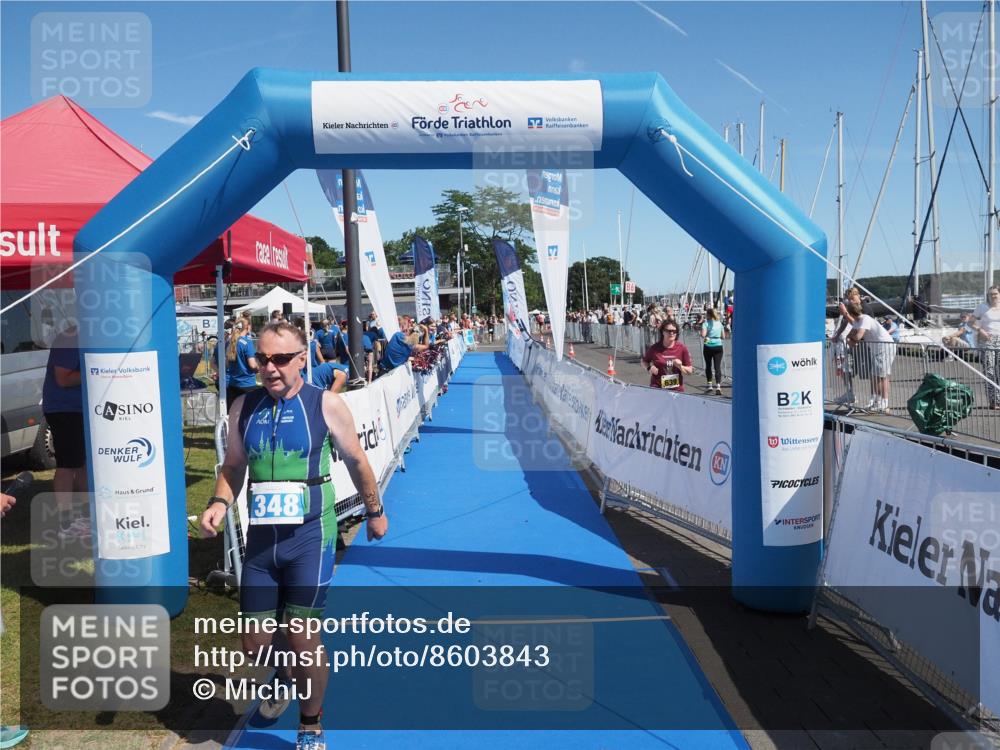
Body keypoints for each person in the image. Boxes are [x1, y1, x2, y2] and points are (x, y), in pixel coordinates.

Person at [200, 321, 387, 750]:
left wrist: (374, 510)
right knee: (254, 645)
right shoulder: (243, 407)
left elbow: (357, 462)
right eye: (262, 358)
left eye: (281, 358)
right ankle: (284, 677)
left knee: (302, 635)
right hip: (263, 543)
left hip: (309, 538)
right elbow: (232, 466)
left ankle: (311, 723)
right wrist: (219, 503)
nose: (270, 367)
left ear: (303, 358)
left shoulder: (325, 404)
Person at [42, 325, 90, 540]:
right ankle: (66, 522)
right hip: (65, 409)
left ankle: (85, 517)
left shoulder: (86, 335)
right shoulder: (70, 337)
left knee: (81, 464)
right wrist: (96, 368)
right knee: (67, 465)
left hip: (78, 409)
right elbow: (63, 378)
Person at [846, 301, 895, 413]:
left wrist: (851, 339)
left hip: (884, 347)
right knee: (876, 375)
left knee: (879, 376)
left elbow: (857, 337)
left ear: (851, 313)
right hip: (876, 349)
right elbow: (851, 336)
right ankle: (877, 401)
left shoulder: (865, 319)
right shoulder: (857, 322)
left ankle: (882, 402)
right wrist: (851, 339)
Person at [970, 286, 1000, 409]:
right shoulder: (982, 307)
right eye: (990, 294)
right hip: (987, 340)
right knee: (990, 371)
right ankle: (993, 401)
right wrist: (980, 330)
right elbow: (970, 322)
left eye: (995, 294)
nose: (993, 296)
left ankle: (999, 398)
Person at [641, 320, 693, 391]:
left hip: (676, 389)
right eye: (668, 331)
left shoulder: (682, 348)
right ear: (663, 332)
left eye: (674, 331)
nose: (671, 333)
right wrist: (649, 368)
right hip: (657, 387)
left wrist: (680, 366)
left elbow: (690, 371)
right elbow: (644, 361)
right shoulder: (654, 348)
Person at [225, 319, 259, 411]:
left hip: (233, 384)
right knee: (248, 415)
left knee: (233, 414)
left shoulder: (230, 342)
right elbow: (252, 365)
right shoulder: (247, 343)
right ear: (247, 327)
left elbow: (227, 364)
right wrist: (259, 368)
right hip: (247, 385)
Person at [700, 307, 726, 396]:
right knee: (717, 366)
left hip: (708, 345)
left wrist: (704, 333)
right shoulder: (720, 324)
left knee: (708, 365)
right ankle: (718, 386)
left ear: (708, 314)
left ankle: (710, 385)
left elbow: (703, 335)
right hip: (718, 345)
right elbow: (723, 337)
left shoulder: (706, 323)